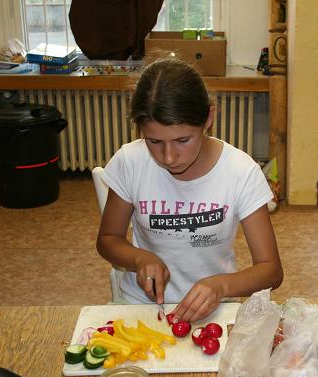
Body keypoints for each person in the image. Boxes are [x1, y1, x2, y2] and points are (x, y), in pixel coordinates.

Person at [96, 58, 283, 322]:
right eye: (154, 142)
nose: (169, 157)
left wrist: (221, 286)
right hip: (143, 307)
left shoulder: (240, 171)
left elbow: (271, 270)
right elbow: (108, 239)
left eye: (182, 140)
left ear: (208, 118)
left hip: (215, 309)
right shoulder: (130, 162)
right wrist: (139, 258)